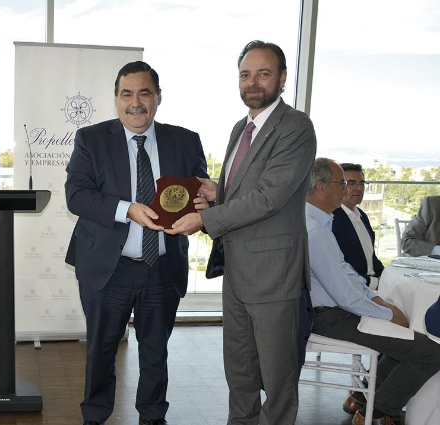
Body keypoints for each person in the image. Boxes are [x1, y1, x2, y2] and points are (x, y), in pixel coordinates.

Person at [177, 40, 317, 425]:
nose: (252, 82)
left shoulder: (295, 127)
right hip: (236, 273)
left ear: (282, 78)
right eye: (245, 74)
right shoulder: (242, 127)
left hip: (273, 277)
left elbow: (269, 197)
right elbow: (242, 191)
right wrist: (215, 193)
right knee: (239, 377)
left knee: (278, 383)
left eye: (263, 73)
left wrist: (205, 220)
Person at [65, 60, 208, 425]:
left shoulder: (185, 140)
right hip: (107, 270)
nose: (136, 102)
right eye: (126, 94)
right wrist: (127, 209)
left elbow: (201, 191)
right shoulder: (91, 139)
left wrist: (202, 212)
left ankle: (153, 418)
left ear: (158, 97)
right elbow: (76, 196)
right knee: (101, 353)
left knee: (155, 356)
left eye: (144, 93)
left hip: (162, 267)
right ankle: (94, 418)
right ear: (116, 99)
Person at [305, 157, 440, 425]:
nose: (345, 189)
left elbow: (345, 272)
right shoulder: (314, 229)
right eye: (341, 183)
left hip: (333, 310)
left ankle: (368, 400)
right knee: (430, 352)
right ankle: (379, 411)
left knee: (407, 337)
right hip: (328, 316)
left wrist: (378, 300)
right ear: (321, 188)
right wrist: (386, 314)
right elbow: (343, 294)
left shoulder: (319, 221)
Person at [331, 163, 384, 288]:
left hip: (374, 284)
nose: (358, 188)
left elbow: (371, 258)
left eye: (361, 183)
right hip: (355, 288)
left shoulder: (362, 216)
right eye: (351, 183)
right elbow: (338, 266)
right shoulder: (333, 219)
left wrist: (385, 276)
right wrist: (375, 283)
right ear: (340, 187)